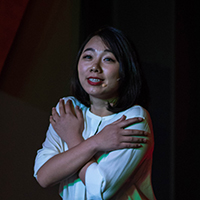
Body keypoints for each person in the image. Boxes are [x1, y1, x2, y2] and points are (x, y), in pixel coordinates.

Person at [34, 26, 156, 200]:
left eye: (108, 59)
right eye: (88, 57)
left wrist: (72, 138)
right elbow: (44, 176)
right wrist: (96, 142)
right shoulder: (69, 110)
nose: (94, 67)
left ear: (125, 70)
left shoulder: (134, 118)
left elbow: (99, 189)